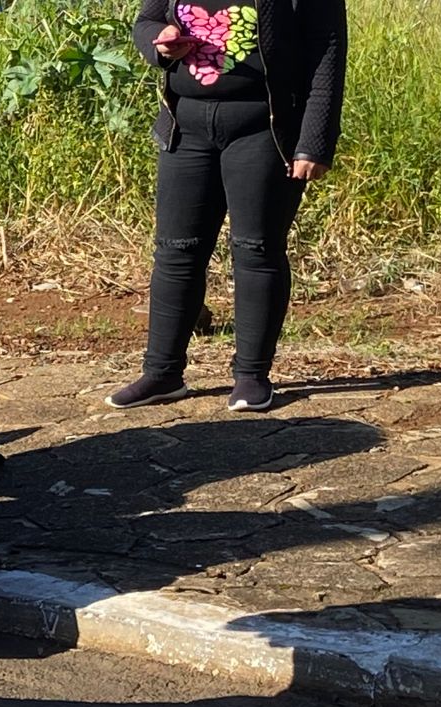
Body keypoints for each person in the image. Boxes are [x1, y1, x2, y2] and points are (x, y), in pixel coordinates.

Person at [111, 0, 347, 412]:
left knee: (256, 249)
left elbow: (327, 51)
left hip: (265, 130)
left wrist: (314, 142)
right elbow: (147, 20)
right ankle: (162, 373)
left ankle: (251, 376)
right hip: (186, 127)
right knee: (176, 251)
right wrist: (159, 43)